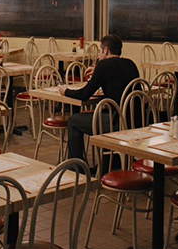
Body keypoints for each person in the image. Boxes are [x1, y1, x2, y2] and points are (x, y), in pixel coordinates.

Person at [57, 34, 139, 162]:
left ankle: (77, 167)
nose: (99, 56)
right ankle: (113, 162)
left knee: (73, 121)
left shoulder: (104, 66)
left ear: (106, 50)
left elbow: (84, 94)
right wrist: (97, 71)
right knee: (99, 114)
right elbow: (114, 77)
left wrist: (65, 91)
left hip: (116, 123)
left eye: (100, 52)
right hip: (135, 121)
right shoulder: (130, 64)